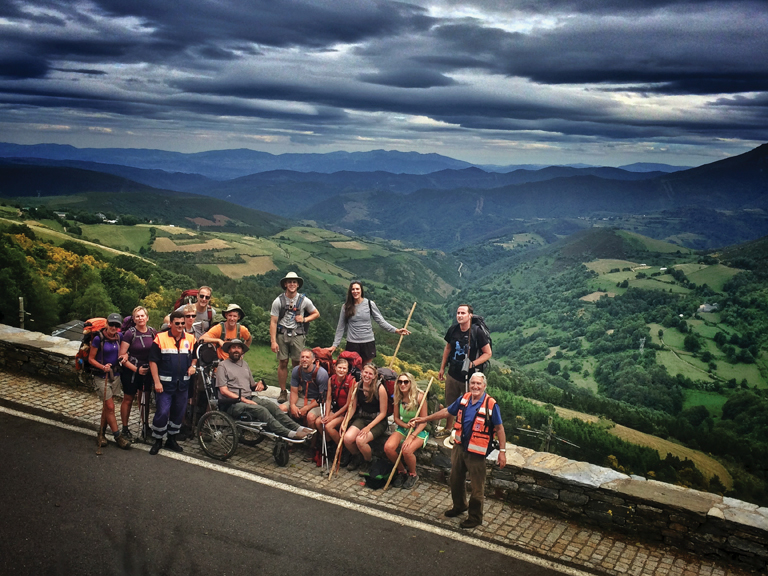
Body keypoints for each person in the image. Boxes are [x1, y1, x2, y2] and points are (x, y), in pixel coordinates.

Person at [411, 372, 506, 529]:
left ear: (484, 386)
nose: (475, 386)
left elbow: (500, 428)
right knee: (455, 479)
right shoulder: (465, 398)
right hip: (459, 446)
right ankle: (460, 505)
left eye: (479, 384)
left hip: (477, 452)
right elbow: (448, 411)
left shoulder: (491, 404)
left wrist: (502, 451)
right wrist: (424, 419)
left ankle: (475, 517)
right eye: (473, 383)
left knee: (477, 486)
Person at [215, 339, 313, 440]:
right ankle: (288, 433)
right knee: (261, 410)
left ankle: (298, 428)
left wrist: (260, 385)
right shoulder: (223, 366)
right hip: (232, 403)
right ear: (229, 350)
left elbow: (252, 385)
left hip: (249, 398)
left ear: (242, 351)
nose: (236, 350)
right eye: (233, 347)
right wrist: (244, 400)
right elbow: (223, 390)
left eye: (239, 347)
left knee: (271, 406)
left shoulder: (244, 364)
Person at [437, 304, 492, 438]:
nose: (460, 316)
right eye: (458, 313)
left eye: (463, 313)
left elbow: (487, 353)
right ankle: (448, 428)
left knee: (469, 406)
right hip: (453, 373)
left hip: (470, 378)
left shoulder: (477, 332)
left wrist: (472, 364)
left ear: (470, 315)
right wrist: (442, 368)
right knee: (450, 403)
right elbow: (448, 348)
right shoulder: (453, 330)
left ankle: (465, 432)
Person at [148, 310, 197, 455]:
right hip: (164, 385)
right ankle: (157, 440)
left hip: (182, 385)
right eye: (177, 323)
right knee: (162, 412)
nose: (181, 326)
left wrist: (193, 366)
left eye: (183, 323)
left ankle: (171, 439)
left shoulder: (190, 338)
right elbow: (153, 361)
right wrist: (156, 382)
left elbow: (195, 356)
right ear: (170, 324)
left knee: (178, 413)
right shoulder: (160, 338)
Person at [330, 281, 410, 366]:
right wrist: (335, 345)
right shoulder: (346, 307)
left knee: (366, 370)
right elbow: (340, 327)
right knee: (352, 370)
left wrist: (396, 330)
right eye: (353, 289)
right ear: (350, 291)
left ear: (361, 290)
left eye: (357, 289)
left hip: (368, 342)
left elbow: (381, 321)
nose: (355, 291)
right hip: (352, 343)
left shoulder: (369, 304)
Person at [270, 272, 320, 404]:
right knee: (283, 362)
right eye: (289, 282)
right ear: (285, 284)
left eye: (294, 282)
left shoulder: (304, 300)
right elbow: (273, 322)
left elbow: (316, 313)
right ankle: (282, 391)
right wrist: (273, 341)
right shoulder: (278, 301)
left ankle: (297, 390)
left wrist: (304, 319)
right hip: (282, 334)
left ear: (298, 285)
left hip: (298, 335)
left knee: (297, 364)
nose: (292, 284)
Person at [89, 312, 131, 449]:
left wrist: (124, 356)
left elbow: (125, 352)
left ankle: (101, 434)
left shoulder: (120, 337)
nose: (113, 327)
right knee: (111, 407)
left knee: (107, 407)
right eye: (111, 324)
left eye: (116, 325)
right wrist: (102, 367)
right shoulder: (98, 339)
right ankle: (118, 436)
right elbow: (91, 359)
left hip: (115, 376)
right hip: (101, 376)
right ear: (107, 324)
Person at [117, 306, 157, 441]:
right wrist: (136, 369)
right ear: (133, 319)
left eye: (142, 316)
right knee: (128, 399)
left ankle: (145, 426)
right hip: (131, 371)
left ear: (147, 317)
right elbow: (121, 356)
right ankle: (125, 428)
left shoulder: (152, 332)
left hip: (146, 371)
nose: (140, 318)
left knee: (144, 399)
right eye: (137, 316)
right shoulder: (130, 333)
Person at [384, 372, 428, 489]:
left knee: (407, 450)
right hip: (404, 428)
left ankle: (413, 474)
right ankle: (401, 471)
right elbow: (396, 418)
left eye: (406, 382)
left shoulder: (419, 397)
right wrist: (406, 425)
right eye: (400, 382)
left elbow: (424, 421)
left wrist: (412, 435)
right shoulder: (398, 397)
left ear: (411, 383)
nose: (402, 384)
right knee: (388, 448)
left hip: (419, 430)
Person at [343, 363, 388, 475]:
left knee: (360, 440)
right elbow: (352, 408)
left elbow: (383, 413)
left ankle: (369, 461)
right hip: (362, 417)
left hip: (377, 421)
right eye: (365, 372)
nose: (367, 376)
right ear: (362, 373)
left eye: (370, 374)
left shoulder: (380, 389)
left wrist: (368, 427)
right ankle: (357, 457)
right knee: (347, 438)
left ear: (374, 376)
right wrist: (345, 422)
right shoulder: (357, 386)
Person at [281, 349, 328, 432]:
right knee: (282, 408)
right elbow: (294, 391)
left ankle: (312, 441)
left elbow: (323, 398)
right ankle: (288, 433)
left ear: (313, 360)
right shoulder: (296, 370)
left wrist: (306, 408)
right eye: (302, 357)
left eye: (307, 357)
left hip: (317, 401)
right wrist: (292, 405)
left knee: (310, 417)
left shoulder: (321, 374)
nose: (304, 359)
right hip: (302, 397)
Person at [321, 357, 356, 458]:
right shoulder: (331, 379)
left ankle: (341, 448)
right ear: (335, 368)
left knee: (328, 426)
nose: (341, 370)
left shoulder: (351, 381)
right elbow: (328, 399)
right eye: (340, 368)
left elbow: (348, 404)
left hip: (345, 412)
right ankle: (329, 445)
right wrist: (327, 415)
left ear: (347, 370)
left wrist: (331, 417)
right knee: (319, 422)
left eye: (344, 368)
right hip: (335, 408)